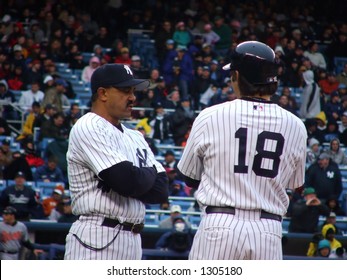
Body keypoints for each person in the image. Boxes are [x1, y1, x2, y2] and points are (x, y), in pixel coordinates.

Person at [177, 41, 308, 260]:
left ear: (237, 76)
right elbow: (296, 185)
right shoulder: (296, 125)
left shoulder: (210, 115)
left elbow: (188, 178)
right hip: (268, 231)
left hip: (220, 225)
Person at [64, 63, 169, 260]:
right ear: (103, 93)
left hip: (132, 241)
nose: (133, 97)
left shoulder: (135, 136)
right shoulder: (88, 126)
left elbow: (161, 190)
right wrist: (146, 173)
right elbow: (127, 181)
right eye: (125, 91)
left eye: (133, 91)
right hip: (95, 238)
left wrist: (136, 176)